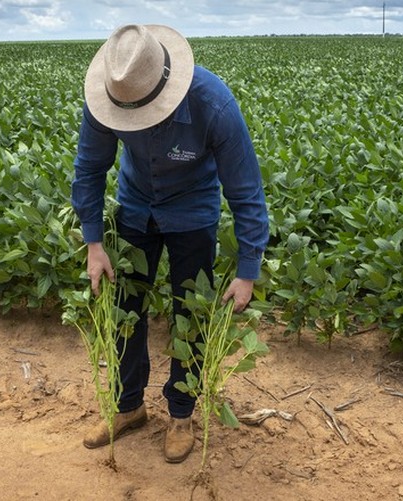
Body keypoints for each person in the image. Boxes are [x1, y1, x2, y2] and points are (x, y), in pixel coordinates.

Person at [71, 24, 269, 463]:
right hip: (136, 205)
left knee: (190, 313)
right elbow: (88, 168)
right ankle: (129, 407)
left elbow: (246, 190)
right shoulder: (108, 94)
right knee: (125, 309)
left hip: (193, 212)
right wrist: (94, 244)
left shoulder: (213, 103)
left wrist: (247, 271)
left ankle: (181, 414)